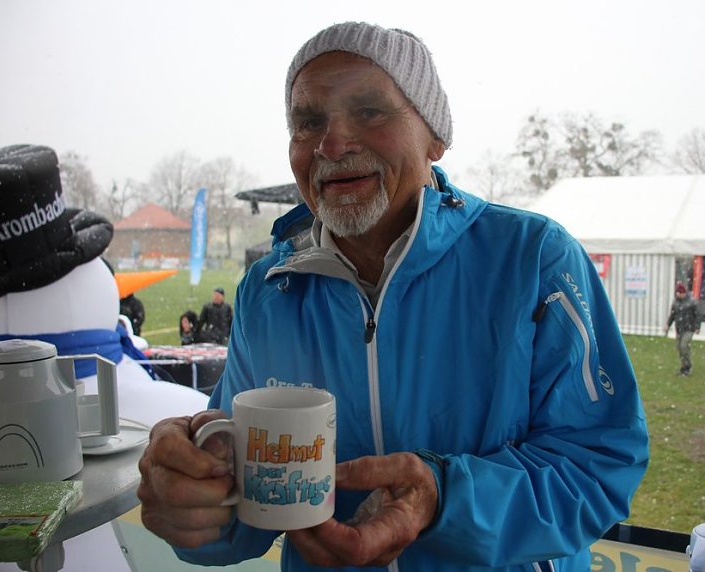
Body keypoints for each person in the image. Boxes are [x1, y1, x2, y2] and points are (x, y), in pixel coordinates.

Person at [136, 21, 649, 572]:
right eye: (309, 122)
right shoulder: (269, 292)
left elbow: (599, 463)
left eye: (370, 111)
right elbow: (244, 497)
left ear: (434, 137)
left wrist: (442, 497)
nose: (332, 144)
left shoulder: (532, 259)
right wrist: (193, 505)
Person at [664, 280, 701, 376]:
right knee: (679, 348)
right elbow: (672, 315)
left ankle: (688, 367)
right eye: (678, 293)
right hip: (679, 328)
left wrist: (697, 327)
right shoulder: (675, 302)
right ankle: (683, 367)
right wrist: (668, 324)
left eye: (680, 293)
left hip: (689, 328)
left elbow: (697, 315)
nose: (679, 295)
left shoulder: (692, 302)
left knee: (684, 346)